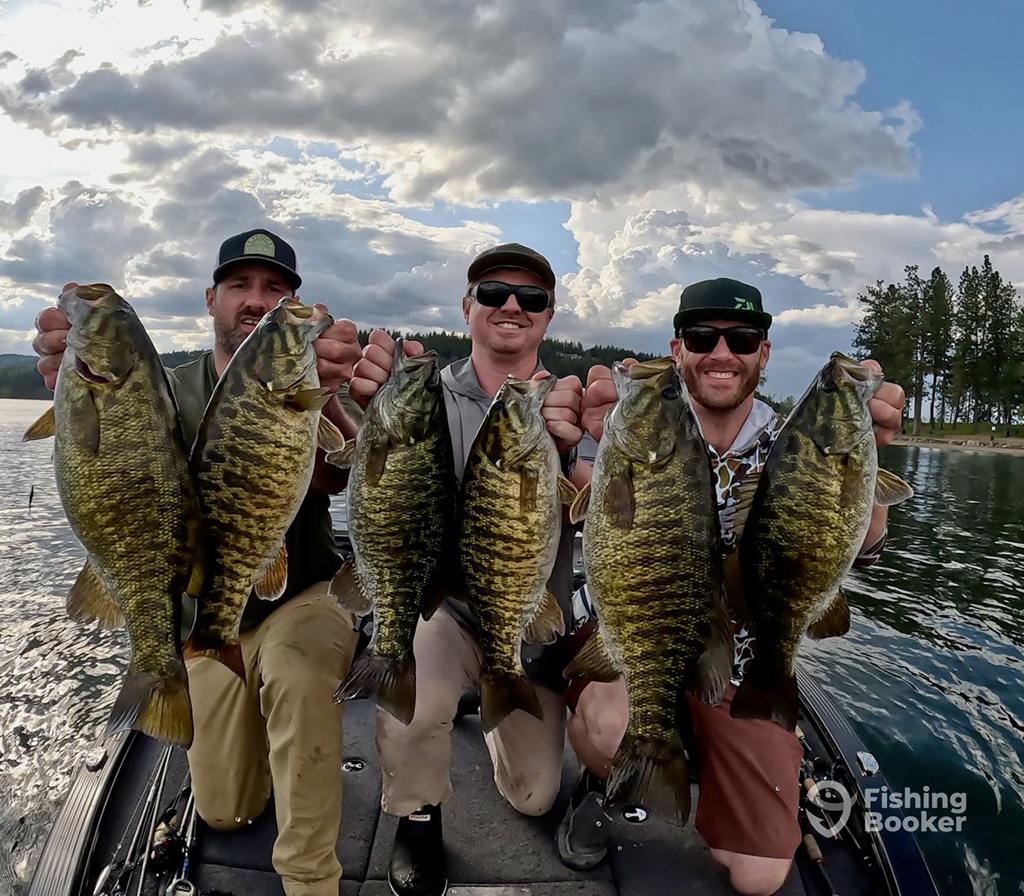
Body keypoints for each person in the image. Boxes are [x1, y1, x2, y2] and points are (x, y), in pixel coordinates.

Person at [32, 229, 364, 896]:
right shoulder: (162, 386)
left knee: (298, 677)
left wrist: (327, 400)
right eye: (240, 285)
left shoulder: (311, 377)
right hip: (205, 614)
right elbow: (121, 471)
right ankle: (253, 741)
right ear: (211, 298)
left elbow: (336, 476)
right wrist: (67, 384)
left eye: (274, 289)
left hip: (301, 593)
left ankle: (311, 880)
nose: (256, 300)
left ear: (289, 303)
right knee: (224, 810)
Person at [561, 277, 906, 896]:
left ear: (764, 354)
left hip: (747, 661)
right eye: (702, 336)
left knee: (760, 877)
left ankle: (713, 753)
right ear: (678, 348)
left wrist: (869, 463)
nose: (722, 351)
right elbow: (599, 505)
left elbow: (863, 544)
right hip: (646, 625)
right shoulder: (635, 427)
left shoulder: (793, 440)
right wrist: (568, 448)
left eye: (741, 338)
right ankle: (610, 786)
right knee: (610, 725)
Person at [348, 242, 591, 896]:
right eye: (493, 293)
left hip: (524, 623)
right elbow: (360, 466)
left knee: (536, 797)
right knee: (408, 694)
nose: (512, 306)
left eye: (531, 298)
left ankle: (490, 707)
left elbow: (610, 511)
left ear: (547, 316)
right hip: (442, 608)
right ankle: (417, 816)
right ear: (467, 307)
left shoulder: (573, 406)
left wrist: (574, 456)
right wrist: (356, 402)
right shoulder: (424, 395)